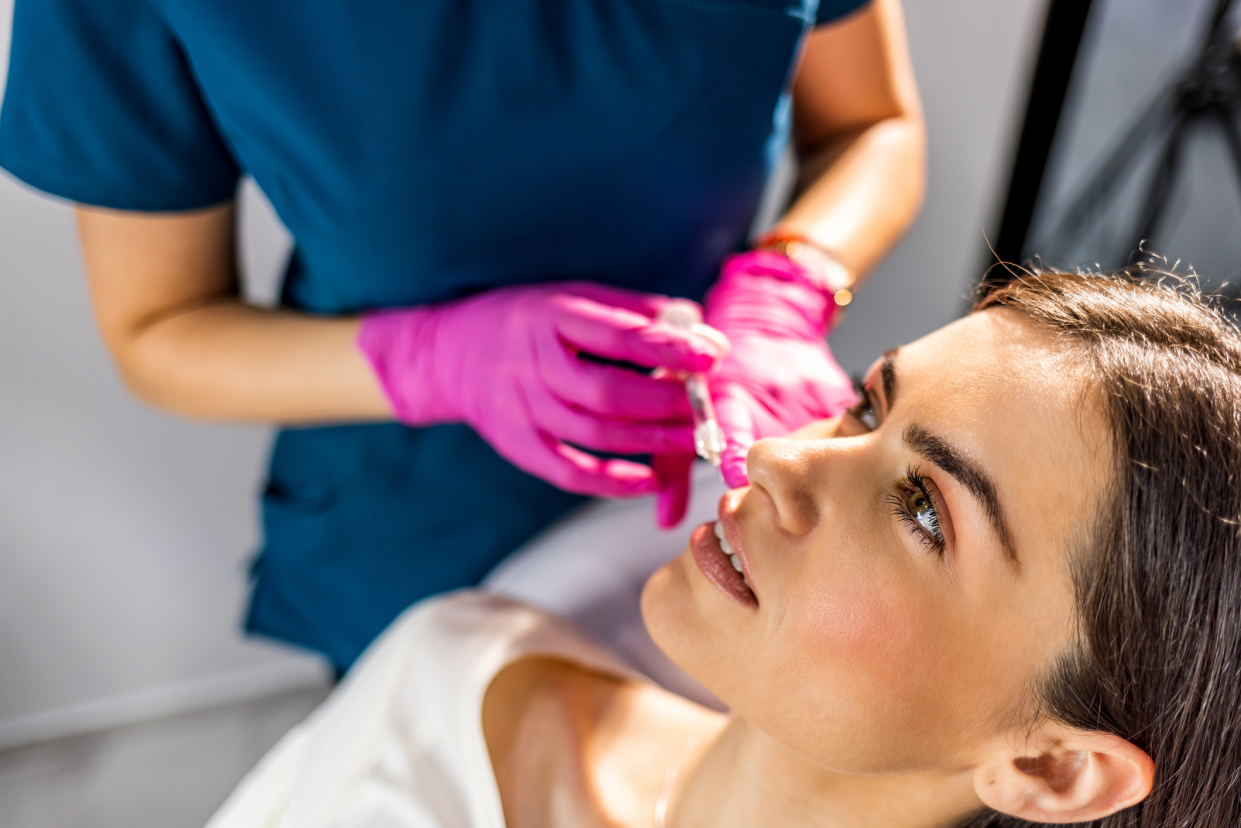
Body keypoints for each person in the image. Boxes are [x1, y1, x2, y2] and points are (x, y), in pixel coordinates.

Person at [0, 0, 926, 672]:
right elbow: (158, 329)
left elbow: (872, 123)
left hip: (716, 462)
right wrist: (430, 360)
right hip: (413, 521)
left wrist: (786, 285)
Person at [204, 268, 1241, 828]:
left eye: (921, 508)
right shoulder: (453, 666)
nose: (781, 458)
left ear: (1052, 769)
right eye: (859, 407)